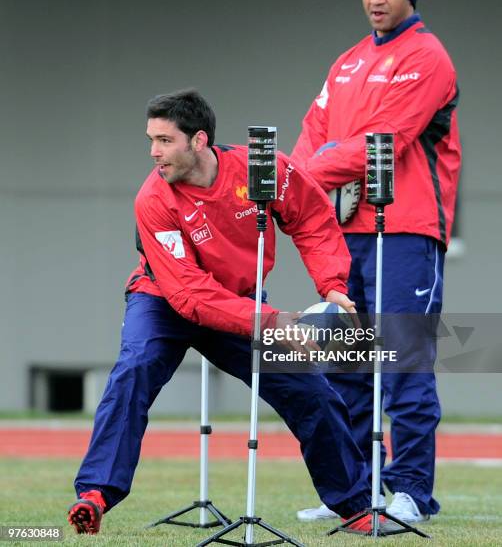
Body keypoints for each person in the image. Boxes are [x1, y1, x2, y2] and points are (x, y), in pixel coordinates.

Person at [67, 89, 399, 535]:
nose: (154, 152)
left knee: (311, 390)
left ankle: (356, 506)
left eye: (165, 140)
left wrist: (332, 284)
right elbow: (189, 294)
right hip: (163, 300)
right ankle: (95, 494)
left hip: (240, 302)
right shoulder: (153, 199)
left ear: (199, 140)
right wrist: (273, 322)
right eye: (151, 139)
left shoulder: (262, 171)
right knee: (134, 371)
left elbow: (313, 218)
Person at [292, 0, 461, 524]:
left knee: (405, 358)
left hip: (408, 230)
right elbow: (311, 134)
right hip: (348, 232)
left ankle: (411, 489)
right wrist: (290, 183)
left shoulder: (427, 57)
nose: (376, 1)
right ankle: (354, 489)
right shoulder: (345, 63)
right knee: (347, 363)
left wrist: (304, 174)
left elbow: (383, 141)